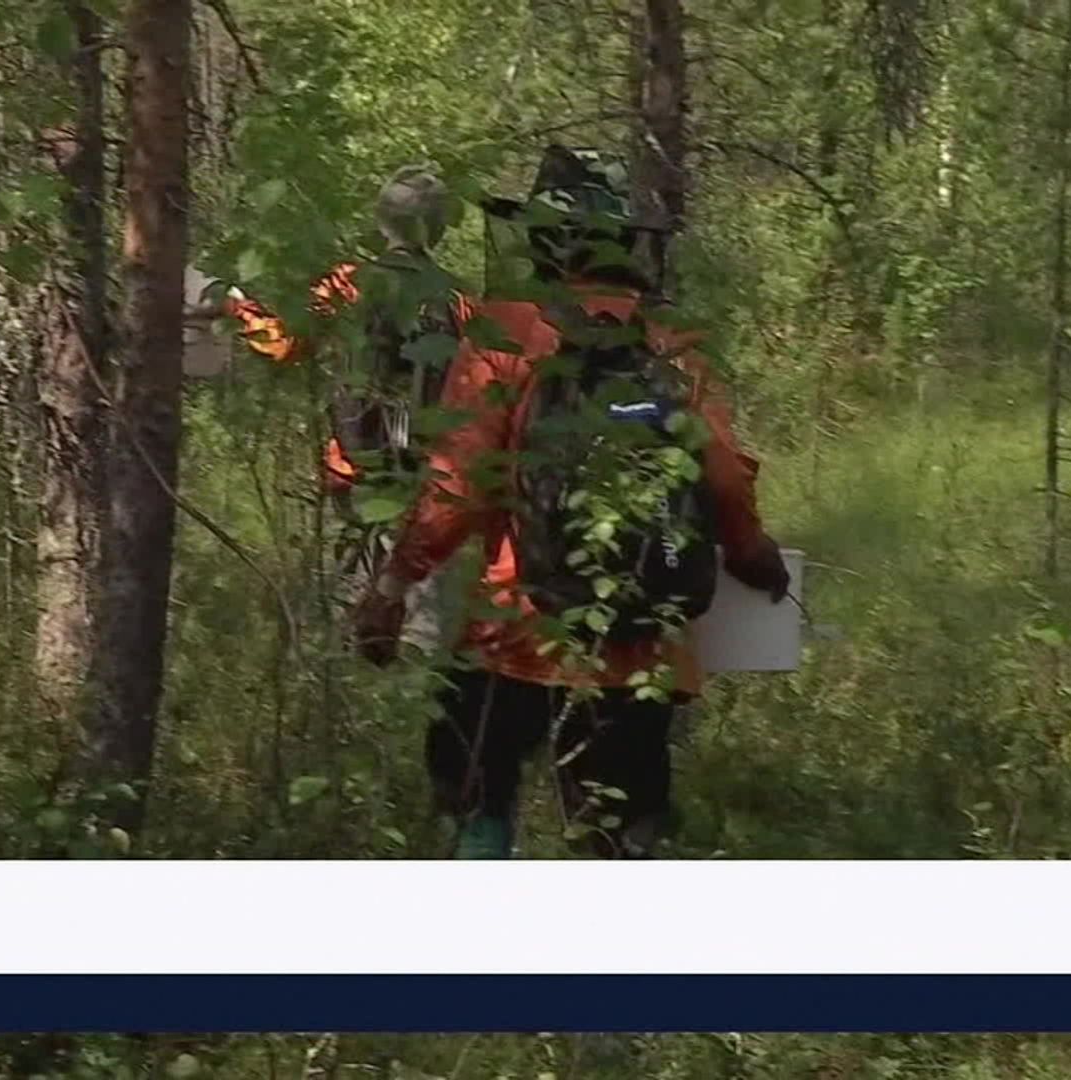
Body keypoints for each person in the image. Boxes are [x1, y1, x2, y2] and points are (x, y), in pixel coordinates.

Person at [351, 145, 791, 859]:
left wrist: (392, 585)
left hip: (515, 636)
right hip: (644, 646)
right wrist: (751, 552)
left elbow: (458, 487)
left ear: (540, 237)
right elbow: (724, 478)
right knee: (618, 837)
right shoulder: (673, 344)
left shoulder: (505, 334)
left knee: (478, 806)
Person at [192, 164, 474, 648]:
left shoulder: (350, 283)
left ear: (382, 221)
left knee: (343, 620)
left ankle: (341, 668)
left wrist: (237, 306)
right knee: (421, 630)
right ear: (438, 227)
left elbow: (286, 343)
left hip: (352, 467)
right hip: (428, 479)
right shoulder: (459, 298)